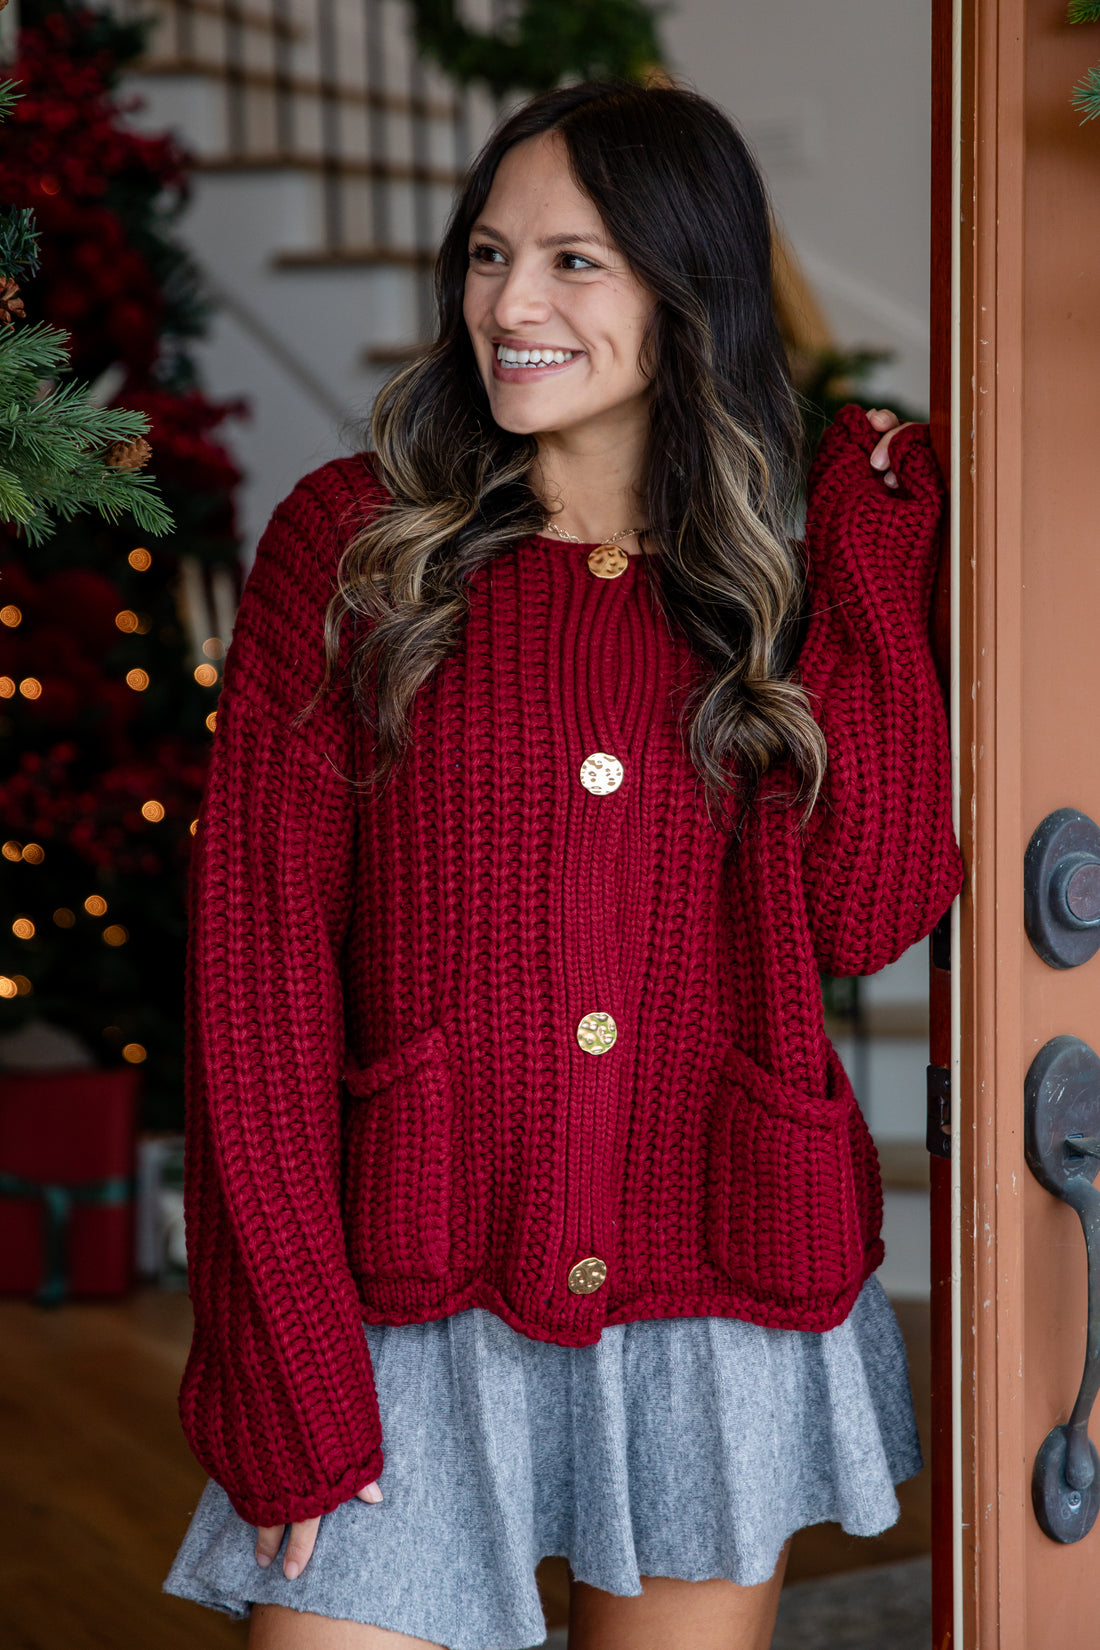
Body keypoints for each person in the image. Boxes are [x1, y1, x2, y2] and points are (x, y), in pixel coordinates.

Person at [163, 78, 963, 1650]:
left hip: (712, 1288)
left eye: (575, 261)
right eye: (485, 253)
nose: (508, 304)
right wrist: (282, 1356)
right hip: (405, 1281)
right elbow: (254, 981)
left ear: (692, 288)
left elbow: (870, 906)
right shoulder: (353, 548)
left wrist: (859, 574)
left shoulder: (778, 577)